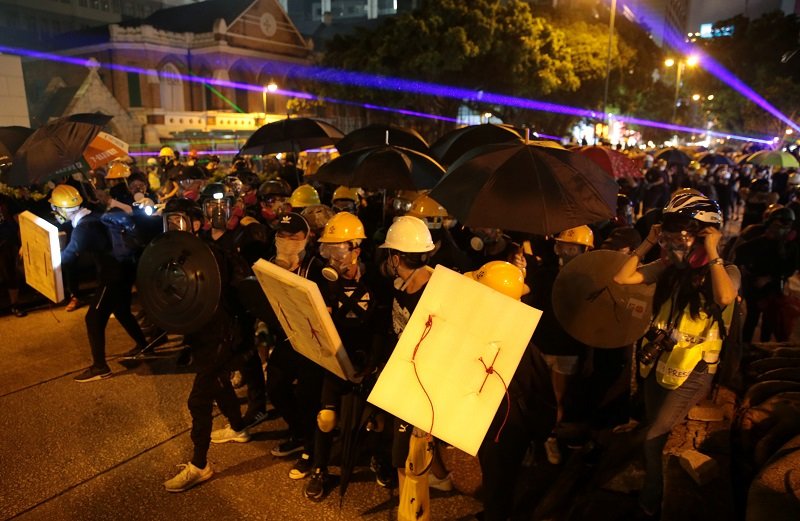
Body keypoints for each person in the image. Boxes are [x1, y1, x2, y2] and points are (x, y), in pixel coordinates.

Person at [613, 192, 738, 517]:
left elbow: (725, 297)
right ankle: (651, 479)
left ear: (706, 234)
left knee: (654, 437)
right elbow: (622, 278)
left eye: (682, 238)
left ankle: (651, 500)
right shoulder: (669, 267)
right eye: (670, 237)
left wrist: (713, 251)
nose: (675, 246)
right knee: (652, 426)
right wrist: (648, 242)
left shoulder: (725, 271)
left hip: (694, 372)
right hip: (659, 366)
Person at [162, 198, 255, 492]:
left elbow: (234, 295)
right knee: (220, 384)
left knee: (199, 400)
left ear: (196, 223)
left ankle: (200, 465)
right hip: (202, 335)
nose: (173, 227)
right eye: (169, 221)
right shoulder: (177, 255)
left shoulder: (212, 254)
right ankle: (238, 428)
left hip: (221, 336)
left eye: (179, 221)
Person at [302, 212, 392, 501]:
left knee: (376, 420)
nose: (333, 259)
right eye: (327, 251)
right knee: (327, 418)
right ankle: (319, 467)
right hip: (336, 357)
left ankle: (378, 457)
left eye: (339, 251)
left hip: (366, 357)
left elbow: (381, 325)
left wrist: (373, 362)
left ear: (356, 249)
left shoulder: (376, 281)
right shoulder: (321, 283)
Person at [471, 261, 556, 521]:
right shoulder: (507, 327)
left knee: (498, 479)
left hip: (503, 426)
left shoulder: (509, 341)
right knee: (497, 476)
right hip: (500, 423)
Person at [379, 215, 453, 492]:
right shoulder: (401, 285)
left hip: (422, 381)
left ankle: (411, 505)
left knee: (402, 455)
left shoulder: (435, 291)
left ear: (397, 258)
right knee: (420, 438)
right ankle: (442, 478)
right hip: (404, 373)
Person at [51, 185, 149, 382]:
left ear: (62, 209)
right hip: (125, 269)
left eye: (55, 208)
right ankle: (145, 346)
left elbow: (68, 257)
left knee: (93, 318)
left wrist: (40, 257)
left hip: (112, 276)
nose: (54, 212)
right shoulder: (94, 217)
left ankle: (100, 367)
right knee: (121, 311)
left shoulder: (83, 228)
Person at [529, 225, 594, 464]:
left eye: (573, 248)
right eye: (563, 246)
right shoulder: (545, 273)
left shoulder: (589, 280)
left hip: (567, 348)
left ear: (585, 250)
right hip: (542, 344)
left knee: (557, 398)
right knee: (535, 394)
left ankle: (550, 437)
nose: (566, 252)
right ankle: (533, 439)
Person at [0, 193, 26, 317]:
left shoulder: (5, 200)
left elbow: (20, 220)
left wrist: (23, 243)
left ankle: (15, 304)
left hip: (7, 242)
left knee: (10, 273)